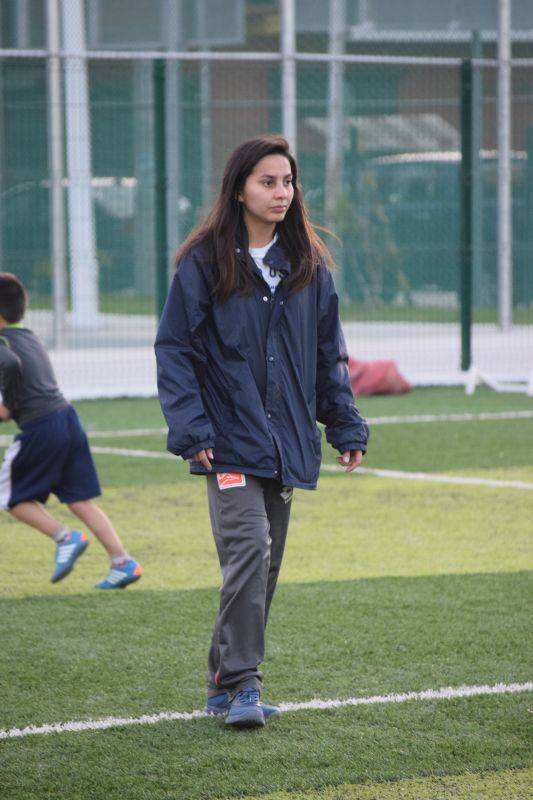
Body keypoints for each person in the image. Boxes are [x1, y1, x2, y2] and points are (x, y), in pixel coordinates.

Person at [155, 135, 369, 728]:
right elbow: (175, 350)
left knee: (261, 567)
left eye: (288, 182)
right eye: (267, 182)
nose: (281, 193)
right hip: (225, 438)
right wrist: (192, 426)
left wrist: (344, 423)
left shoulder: (308, 265)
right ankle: (245, 684)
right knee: (250, 550)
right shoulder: (203, 263)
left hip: (286, 439)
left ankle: (220, 682)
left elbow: (328, 354)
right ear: (239, 189)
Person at [0, 273, 143, 589]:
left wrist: (8, 406)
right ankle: (122, 562)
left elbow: (8, 367)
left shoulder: (4, 343)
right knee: (79, 500)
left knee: (10, 496)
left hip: (41, 427)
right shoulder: (29, 336)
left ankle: (65, 537)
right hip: (67, 418)